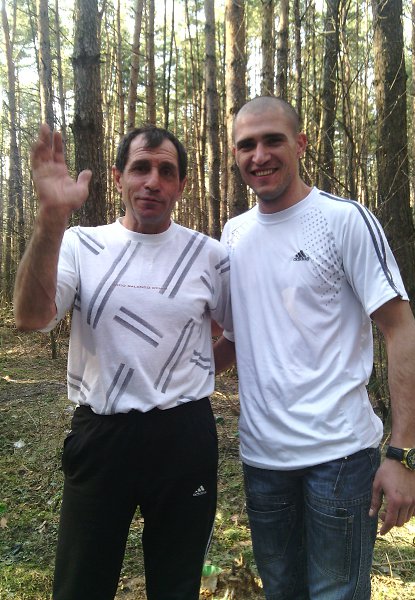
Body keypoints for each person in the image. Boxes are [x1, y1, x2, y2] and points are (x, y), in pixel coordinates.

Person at [213, 96, 415, 600]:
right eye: (246, 145)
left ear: (300, 143)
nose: (259, 155)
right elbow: (237, 339)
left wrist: (403, 454)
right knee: (281, 590)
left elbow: (401, 331)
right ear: (235, 154)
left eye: (273, 140)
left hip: (339, 458)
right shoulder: (234, 234)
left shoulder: (343, 220)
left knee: (337, 593)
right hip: (262, 458)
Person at [14, 123, 232, 600]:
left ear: (181, 185)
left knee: (176, 586)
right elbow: (30, 317)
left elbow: (235, 333)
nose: (152, 181)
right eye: (140, 168)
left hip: (185, 437)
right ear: (118, 177)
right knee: (80, 585)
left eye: (166, 171)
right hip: (102, 436)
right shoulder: (80, 244)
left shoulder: (210, 256)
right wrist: (50, 219)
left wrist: (189, 373)